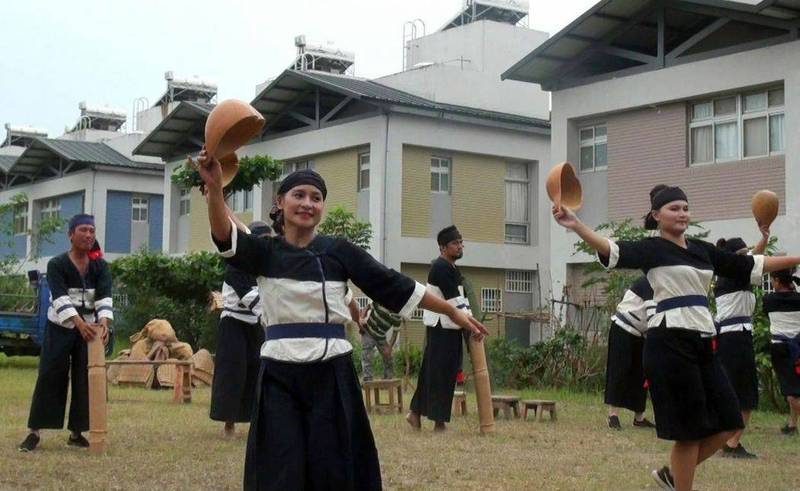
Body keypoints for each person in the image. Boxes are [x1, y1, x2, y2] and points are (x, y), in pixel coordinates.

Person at [196, 150, 487, 491]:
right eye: (299, 195)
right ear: (280, 202)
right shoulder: (265, 253)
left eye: (316, 198)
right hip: (278, 374)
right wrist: (215, 189)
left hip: (331, 373)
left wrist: (453, 311)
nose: (308, 203)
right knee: (280, 467)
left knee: (334, 468)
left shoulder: (339, 251)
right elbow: (225, 239)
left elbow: (394, 285)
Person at [552, 184, 800, 491]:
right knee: (689, 432)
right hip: (669, 343)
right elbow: (611, 248)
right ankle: (680, 483)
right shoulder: (652, 249)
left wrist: (796, 258)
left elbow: (752, 265)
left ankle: (673, 474)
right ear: (657, 215)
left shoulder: (701, 249)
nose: (682, 213)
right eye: (674, 208)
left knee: (731, 420)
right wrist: (576, 224)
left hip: (703, 342)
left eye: (685, 208)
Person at [18, 214, 113, 452]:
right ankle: (34, 432)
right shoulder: (57, 264)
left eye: (92, 230)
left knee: (85, 380)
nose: (88, 235)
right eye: (83, 230)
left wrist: (104, 324)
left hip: (89, 332)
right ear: (71, 234)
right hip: (60, 328)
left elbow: (103, 298)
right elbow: (59, 299)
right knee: (50, 374)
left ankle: (76, 433)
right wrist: (80, 324)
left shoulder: (101, 267)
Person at [407, 225, 474, 432]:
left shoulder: (451, 268)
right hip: (442, 327)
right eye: (455, 243)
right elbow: (454, 301)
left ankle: (415, 414)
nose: (460, 246)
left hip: (449, 325)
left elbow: (461, 300)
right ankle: (438, 422)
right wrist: (471, 324)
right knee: (441, 373)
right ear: (443, 248)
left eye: (461, 242)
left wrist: (469, 321)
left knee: (434, 372)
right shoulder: (441, 267)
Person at [210, 221, 272, 438]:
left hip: (255, 325)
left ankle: (258, 422)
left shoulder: (267, 267)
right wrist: (275, 319)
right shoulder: (237, 265)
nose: (267, 245)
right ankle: (229, 424)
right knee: (233, 373)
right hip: (234, 323)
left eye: (269, 241)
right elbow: (252, 299)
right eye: (263, 241)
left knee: (258, 371)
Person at [713, 230, 769, 458]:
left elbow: (755, 258)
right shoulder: (734, 275)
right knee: (745, 393)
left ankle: (727, 440)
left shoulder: (728, 275)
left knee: (734, 391)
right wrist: (764, 240)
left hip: (731, 337)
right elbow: (758, 261)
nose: (747, 260)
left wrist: (764, 238)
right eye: (742, 256)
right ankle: (732, 443)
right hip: (736, 338)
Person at [605, 276, 657, 430]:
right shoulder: (649, 281)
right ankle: (613, 416)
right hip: (623, 328)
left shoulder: (663, 286)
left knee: (641, 374)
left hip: (641, 334)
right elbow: (654, 315)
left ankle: (639, 418)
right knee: (619, 371)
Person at [762, 267, 800, 436]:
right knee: (795, 388)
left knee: (791, 391)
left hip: (781, 347)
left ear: (777, 281)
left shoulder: (769, 300)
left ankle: (792, 424)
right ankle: (792, 424)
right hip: (798, 345)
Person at [360, 302, 401, 381]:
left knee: (388, 357)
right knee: (366, 356)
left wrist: (389, 348)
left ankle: (388, 378)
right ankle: (368, 378)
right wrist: (362, 317)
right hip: (368, 332)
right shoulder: (381, 301)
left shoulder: (398, 316)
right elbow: (368, 306)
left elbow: (395, 333)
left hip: (380, 337)